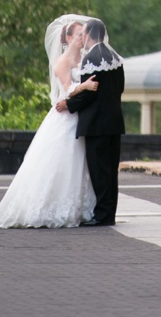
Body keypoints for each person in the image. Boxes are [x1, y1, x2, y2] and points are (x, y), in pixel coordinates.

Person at [0, 14, 100, 230]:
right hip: (65, 116)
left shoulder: (84, 60)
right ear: (68, 38)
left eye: (84, 34)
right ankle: (51, 208)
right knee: (61, 160)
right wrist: (84, 86)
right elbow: (67, 88)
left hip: (79, 115)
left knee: (79, 162)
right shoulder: (62, 62)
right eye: (79, 34)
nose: (83, 38)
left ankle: (81, 207)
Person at [56, 17, 125, 226]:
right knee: (111, 171)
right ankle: (109, 213)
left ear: (90, 34)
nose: (82, 37)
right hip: (114, 122)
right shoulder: (115, 56)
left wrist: (69, 105)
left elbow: (89, 93)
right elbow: (119, 88)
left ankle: (103, 216)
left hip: (96, 124)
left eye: (84, 33)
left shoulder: (91, 58)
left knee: (99, 170)